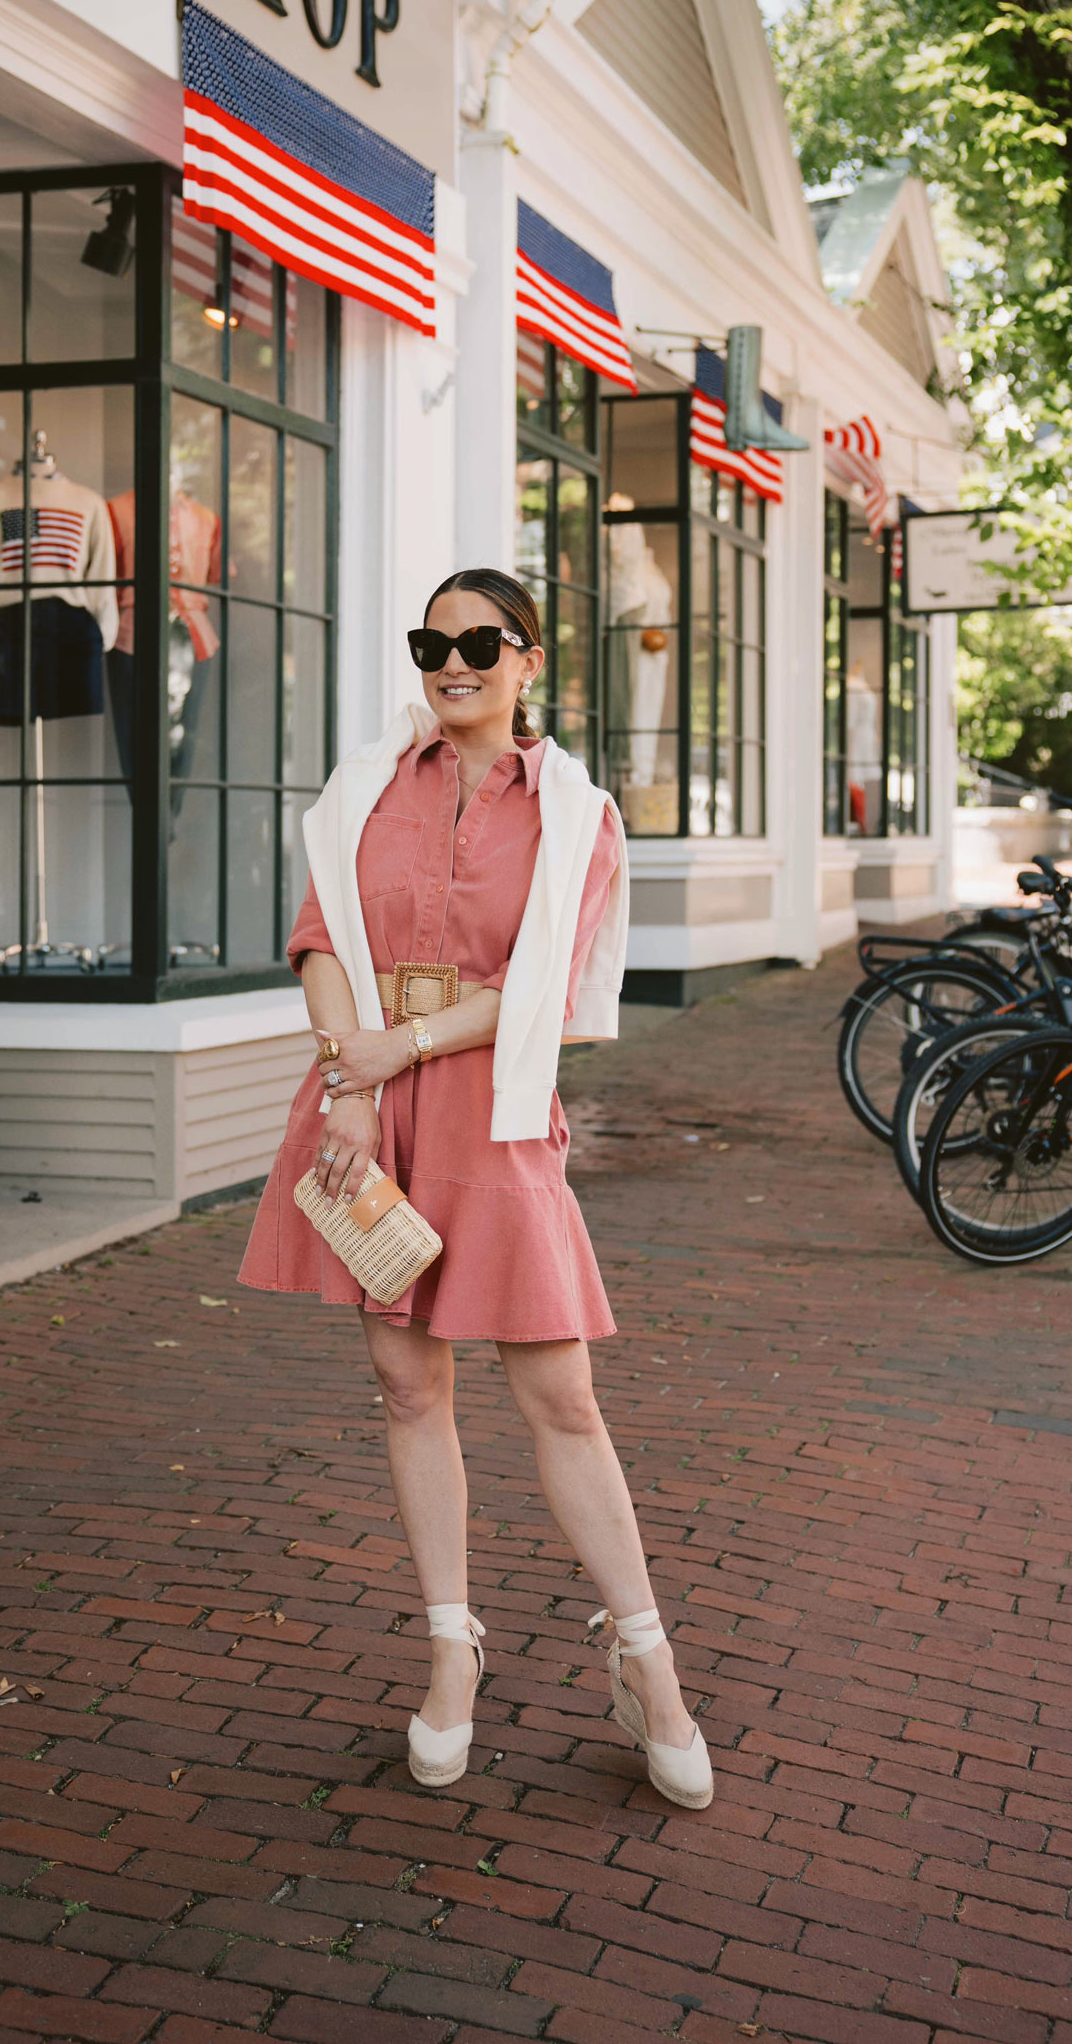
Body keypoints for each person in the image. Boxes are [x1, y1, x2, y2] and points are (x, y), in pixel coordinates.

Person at [238, 568, 713, 1810]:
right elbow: (320, 941)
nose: (453, 662)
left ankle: (647, 1662)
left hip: (489, 1108)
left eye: (480, 642)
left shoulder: (575, 812)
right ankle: (452, 1649)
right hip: (363, 1106)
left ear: (527, 658)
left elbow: (545, 989)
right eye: (431, 642)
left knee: (558, 1390)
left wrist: (395, 1053)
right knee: (407, 1383)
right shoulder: (364, 790)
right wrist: (350, 1079)